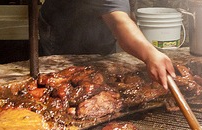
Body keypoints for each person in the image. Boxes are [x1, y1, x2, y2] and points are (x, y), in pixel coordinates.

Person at [38, 0, 175, 89]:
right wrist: (150, 54)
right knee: (65, 81)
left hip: (99, 24)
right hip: (64, 25)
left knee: (99, 72)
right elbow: (118, 22)